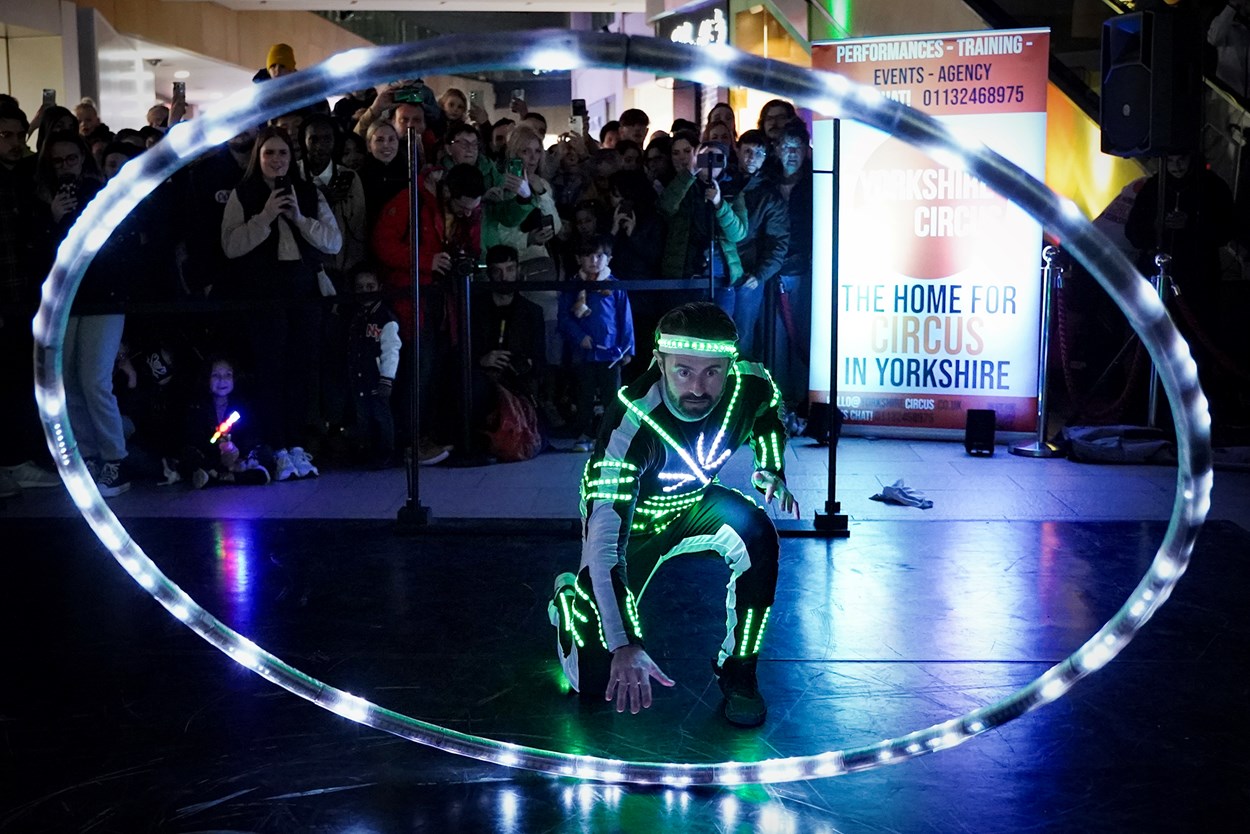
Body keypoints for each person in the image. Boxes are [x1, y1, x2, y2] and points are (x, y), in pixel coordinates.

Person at [548, 301, 797, 727]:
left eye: (712, 372)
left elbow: (767, 415)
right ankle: (569, 601)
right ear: (659, 362)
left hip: (693, 505)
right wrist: (625, 643)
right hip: (635, 527)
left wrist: (769, 467)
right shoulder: (631, 423)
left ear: (729, 366)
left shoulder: (748, 384)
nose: (698, 387)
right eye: (684, 371)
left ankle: (739, 672)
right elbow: (605, 544)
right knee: (590, 683)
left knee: (757, 532)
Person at [220, 125, 342, 479]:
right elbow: (231, 245)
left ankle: (297, 444)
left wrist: (299, 219)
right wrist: (266, 216)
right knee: (271, 371)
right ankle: (275, 445)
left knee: (303, 370)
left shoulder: (307, 191)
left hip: (304, 290)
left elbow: (332, 241)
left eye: (283, 153)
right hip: (264, 293)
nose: (277, 160)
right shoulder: (243, 194)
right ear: (258, 157)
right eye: (269, 153)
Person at [558, 235, 634, 452]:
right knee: (584, 396)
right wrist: (578, 336)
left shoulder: (614, 284)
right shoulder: (573, 286)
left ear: (608, 258)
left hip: (612, 353)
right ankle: (584, 434)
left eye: (599, 255)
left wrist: (628, 348)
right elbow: (564, 317)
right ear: (578, 258)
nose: (594, 260)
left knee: (612, 397)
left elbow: (624, 317)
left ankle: (612, 436)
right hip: (583, 354)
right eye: (588, 255)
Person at [730, 129, 790, 360]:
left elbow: (778, 241)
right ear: (738, 151)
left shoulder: (769, 195)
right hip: (721, 271)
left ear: (766, 157)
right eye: (747, 151)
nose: (751, 157)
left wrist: (760, 274)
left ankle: (741, 388)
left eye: (758, 152)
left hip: (749, 276)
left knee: (742, 336)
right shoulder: (723, 183)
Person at [174, 357, 273, 488]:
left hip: (239, 458)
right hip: (211, 457)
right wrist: (216, 448)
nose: (222, 380)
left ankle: (219, 477)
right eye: (216, 375)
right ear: (207, 379)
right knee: (188, 454)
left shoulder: (242, 405)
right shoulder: (199, 406)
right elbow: (195, 437)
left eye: (228, 375)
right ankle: (224, 476)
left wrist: (237, 452)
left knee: (265, 452)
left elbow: (252, 434)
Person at [347, 266, 401, 467]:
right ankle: (366, 450)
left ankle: (386, 451)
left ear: (380, 287)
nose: (365, 291)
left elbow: (391, 350)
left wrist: (387, 378)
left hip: (377, 377)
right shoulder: (357, 316)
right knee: (363, 415)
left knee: (380, 415)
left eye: (370, 286)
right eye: (360, 287)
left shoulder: (386, 319)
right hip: (359, 376)